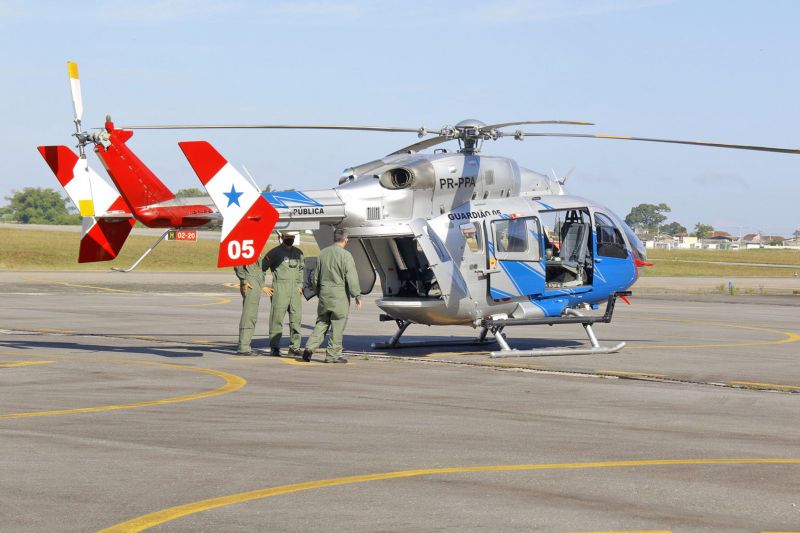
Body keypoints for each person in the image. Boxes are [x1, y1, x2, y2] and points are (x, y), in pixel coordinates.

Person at [302, 228, 362, 363]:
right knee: (337, 325)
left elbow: (315, 277)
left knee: (322, 322)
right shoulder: (346, 256)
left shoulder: (323, 253)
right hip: (339, 295)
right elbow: (351, 277)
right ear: (345, 240)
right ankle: (332, 355)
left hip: (324, 294)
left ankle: (309, 348)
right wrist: (357, 295)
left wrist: (318, 291)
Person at [265, 232, 305, 356]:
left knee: (296, 319)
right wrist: (262, 285)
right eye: (287, 237)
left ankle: (294, 347)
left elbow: (301, 270)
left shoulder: (299, 253)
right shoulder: (275, 252)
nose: (290, 239)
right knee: (276, 319)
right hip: (280, 289)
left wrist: (300, 286)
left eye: (292, 238)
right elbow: (262, 267)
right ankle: (274, 347)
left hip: (295, 291)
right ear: (282, 238)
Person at [234, 254, 273, 356]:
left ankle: (245, 345)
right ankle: (243, 347)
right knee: (249, 315)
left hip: (256, 284)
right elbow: (238, 264)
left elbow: (259, 270)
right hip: (250, 284)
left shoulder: (256, 250)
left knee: (252, 315)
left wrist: (262, 285)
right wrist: (244, 281)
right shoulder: (247, 248)